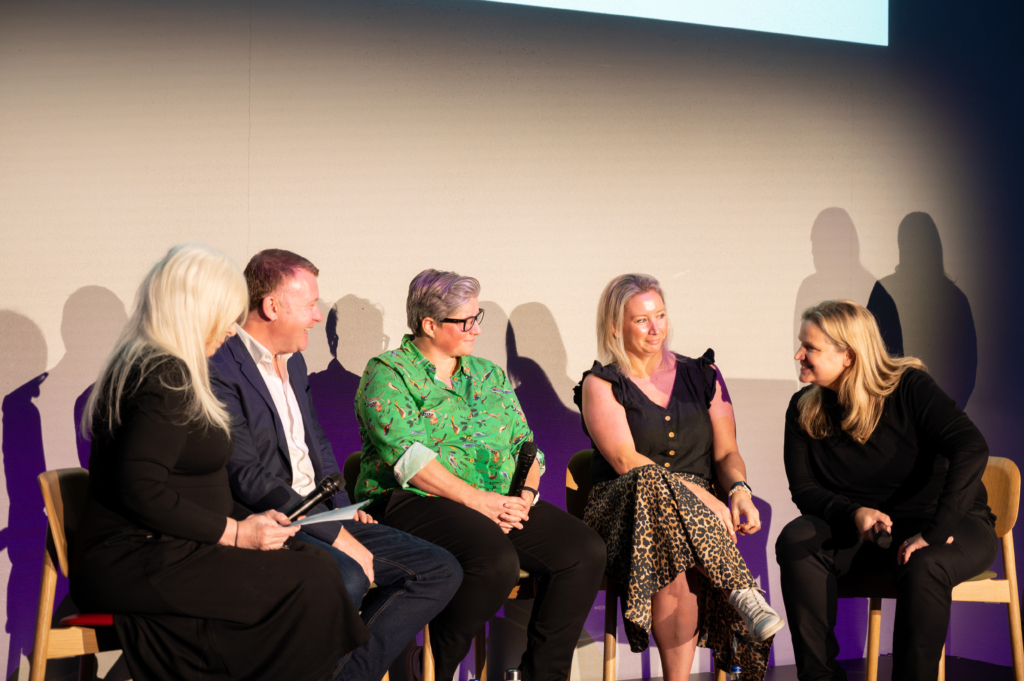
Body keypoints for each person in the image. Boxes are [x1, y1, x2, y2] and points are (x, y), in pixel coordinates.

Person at [70, 244, 367, 681]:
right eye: (225, 316)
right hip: (139, 557)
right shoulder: (161, 375)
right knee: (313, 580)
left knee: (316, 568)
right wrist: (237, 533)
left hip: (173, 544)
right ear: (195, 310)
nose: (232, 330)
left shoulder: (171, 367)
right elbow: (141, 490)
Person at [210, 249, 462, 681]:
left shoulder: (296, 358)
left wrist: (345, 509)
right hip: (271, 523)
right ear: (272, 306)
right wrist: (336, 533)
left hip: (323, 517)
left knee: (440, 570)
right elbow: (246, 475)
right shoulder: (221, 365)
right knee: (343, 578)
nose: (316, 316)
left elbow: (318, 446)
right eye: (309, 305)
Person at [354, 269, 606, 681]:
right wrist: (482, 502)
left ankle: (540, 675)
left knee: (584, 551)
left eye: (477, 317)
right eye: (464, 321)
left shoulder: (487, 375)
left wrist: (522, 497)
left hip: (498, 501)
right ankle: (434, 668)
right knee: (494, 562)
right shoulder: (388, 372)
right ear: (429, 325)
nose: (475, 329)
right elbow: (411, 460)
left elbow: (527, 448)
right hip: (416, 503)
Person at [574, 274, 783, 681]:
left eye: (661, 316)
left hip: (685, 522)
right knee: (650, 484)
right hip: (624, 507)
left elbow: (725, 452)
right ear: (615, 326)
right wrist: (703, 498)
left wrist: (738, 489)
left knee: (674, 552)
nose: (656, 329)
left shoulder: (703, 374)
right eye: (641, 320)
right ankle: (741, 588)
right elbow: (624, 459)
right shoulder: (600, 383)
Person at [776, 300, 997, 681]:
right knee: (797, 539)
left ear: (848, 356)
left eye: (810, 348)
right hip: (869, 533)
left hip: (946, 525)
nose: (799, 355)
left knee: (924, 565)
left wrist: (935, 531)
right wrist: (852, 513)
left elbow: (971, 446)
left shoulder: (909, 388)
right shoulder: (803, 408)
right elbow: (805, 489)